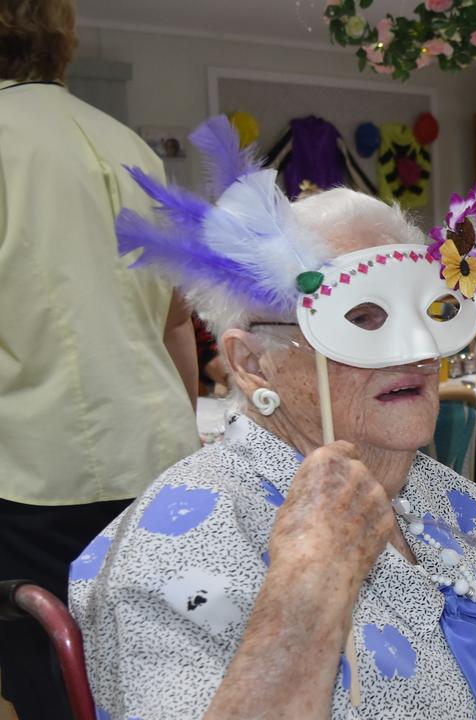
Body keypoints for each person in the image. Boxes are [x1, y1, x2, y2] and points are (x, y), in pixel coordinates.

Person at [69, 122, 476, 719]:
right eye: (362, 319)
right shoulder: (177, 549)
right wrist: (308, 586)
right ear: (252, 364)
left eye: (428, 311)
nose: (415, 351)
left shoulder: (441, 494)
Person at [0, 3, 200, 717]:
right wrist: (188, 439)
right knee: (160, 674)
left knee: (56, 685)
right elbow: (178, 323)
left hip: (38, 473)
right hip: (160, 460)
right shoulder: (130, 145)